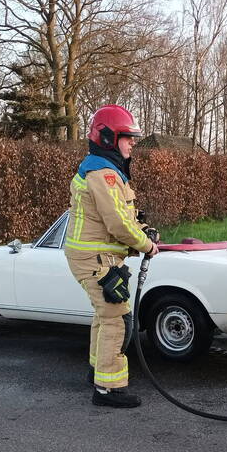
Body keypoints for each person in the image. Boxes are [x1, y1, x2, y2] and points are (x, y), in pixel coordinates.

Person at [66, 104, 158, 408]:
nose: (133, 143)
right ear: (108, 139)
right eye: (127, 137)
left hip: (97, 255)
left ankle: (97, 371)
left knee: (104, 316)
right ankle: (108, 389)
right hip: (95, 258)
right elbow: (117, 223)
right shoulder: (103, 173)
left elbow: (123, 215)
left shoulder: (108, 171)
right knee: (119, 319)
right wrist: (145, 245)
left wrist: (144, 229)